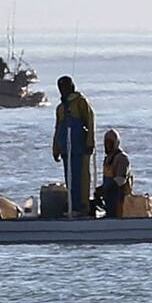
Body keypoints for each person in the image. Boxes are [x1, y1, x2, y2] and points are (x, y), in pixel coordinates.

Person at [52, 75, 95, 216]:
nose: (63, 90)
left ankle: (81, 206)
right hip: (66, 148)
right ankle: (71, 205)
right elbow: (57, 128)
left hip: (79, 147)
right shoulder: (60, 108)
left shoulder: (80, 102)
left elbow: (89, 121)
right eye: (60, 88)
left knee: (80, 178)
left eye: (65, 87)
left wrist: (89, 142)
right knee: (69, 178)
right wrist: (56, 148)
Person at [99, 128, 133, 218]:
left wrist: (105, 189)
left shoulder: (122, 158)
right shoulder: (108, 159)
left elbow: (120, 181)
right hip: (108, 198)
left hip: (119, 198)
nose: (108, 145)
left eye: (110, 142)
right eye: (106, 143)